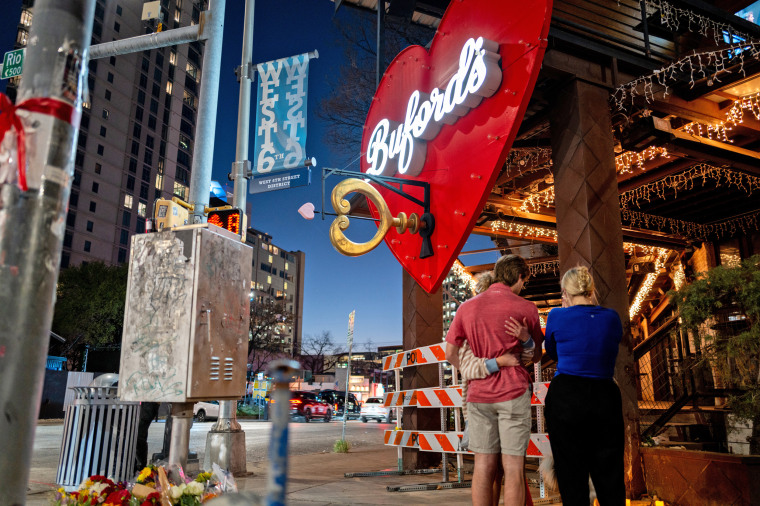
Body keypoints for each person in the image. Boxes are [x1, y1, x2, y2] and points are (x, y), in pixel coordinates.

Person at [445, 255, 543, 506]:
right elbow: (536, 356)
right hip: (513, 393)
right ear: (520, 278)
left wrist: (472, 370)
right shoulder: (527, 308)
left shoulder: (466, 308)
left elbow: (450, 353)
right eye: (524, 281)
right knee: (513, 468)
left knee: (483, 467)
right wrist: (525, 341)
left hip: (479, 396)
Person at [543, 266, 625, 505]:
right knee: (609, 470)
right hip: (604, 393)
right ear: (591, 290)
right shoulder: (611, 317)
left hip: (567, 394)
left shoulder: (556, 315)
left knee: (571, 470)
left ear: (565, 293)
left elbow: (553, 352)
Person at [135, 401, 160, 472]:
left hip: (148, 402)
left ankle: (140, 467)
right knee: (137, 435)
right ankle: (138, 466)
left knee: (139, 435)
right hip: (141, 402)